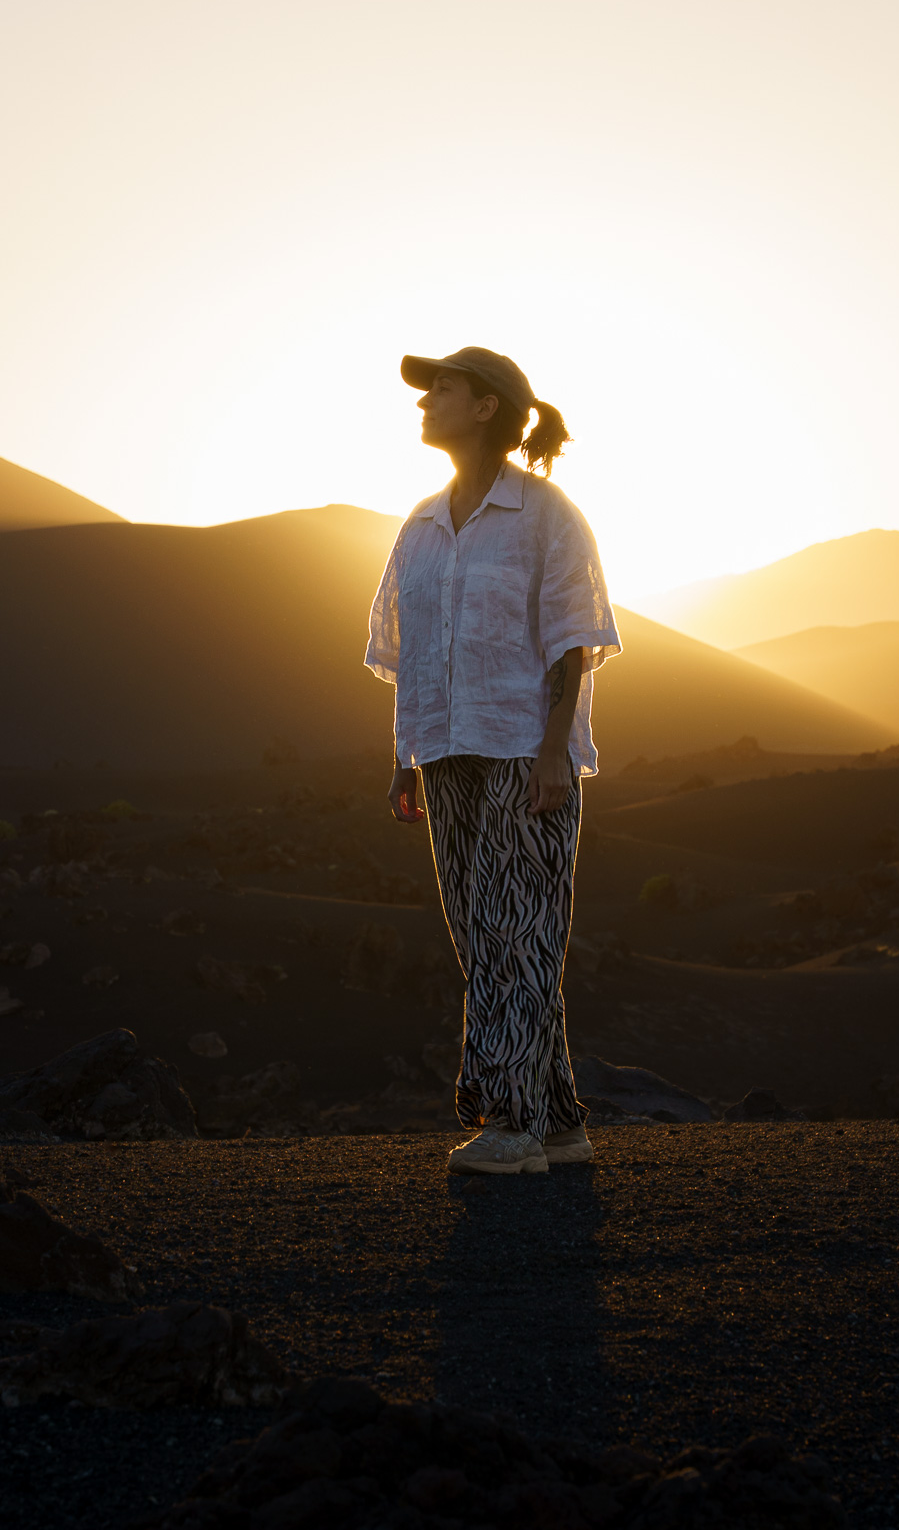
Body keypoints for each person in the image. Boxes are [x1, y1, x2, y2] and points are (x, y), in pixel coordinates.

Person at [365, 346, 621, 1175]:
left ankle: (509, 1126)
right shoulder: (420, 526)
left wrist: (554, 752)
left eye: (441, 388)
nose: (424, 402)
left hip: (522, 753)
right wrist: (406, 758)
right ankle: (558, 1124)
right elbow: (411, 652)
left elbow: (572, 640)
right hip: (445, 754)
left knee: (518, 936)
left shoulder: (545, 515)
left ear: (485, 407)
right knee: (486, 943)